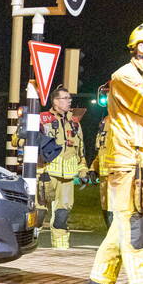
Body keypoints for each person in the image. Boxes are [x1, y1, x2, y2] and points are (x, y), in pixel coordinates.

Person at [88, 21, 143, 284]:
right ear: (141, 48)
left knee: (122, 224)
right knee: (134, 226)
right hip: (128, 161)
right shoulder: (125, 77)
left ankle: (99, 281)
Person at [37, 86, 87, 248]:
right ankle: (30, 247)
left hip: (67, 177)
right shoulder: (42, 119)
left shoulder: (74, 124)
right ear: (55, 101)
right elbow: (22, 141)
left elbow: (81, 150)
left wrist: (83, 169)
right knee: (38, 214)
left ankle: (60, 248)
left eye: (69, 98)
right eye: (65, 98)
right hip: (45, 172)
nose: (69, 101)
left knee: (62, 215)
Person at [91, 115, 112, 228]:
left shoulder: (123, 121)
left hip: (118, 175)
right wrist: (94, 168)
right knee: (107, 208)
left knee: (119, 210)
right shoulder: (105, 121)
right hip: (105, 176)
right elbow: (101, 150)